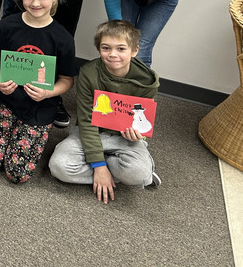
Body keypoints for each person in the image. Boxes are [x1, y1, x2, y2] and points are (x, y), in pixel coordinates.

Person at [0, 0, 77, 184]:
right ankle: (8, 134)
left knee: (17, 174)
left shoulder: (63, 38)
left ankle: (22, 134)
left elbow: (67, 80)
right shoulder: (7, 25)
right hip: (5, 101)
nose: (35, 3)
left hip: (39, 108)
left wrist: (48, 93)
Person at [49, 20, 160, 202]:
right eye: (106, 48)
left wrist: (139, 136)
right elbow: (86, 120)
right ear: (99, 49)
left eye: (121, 49)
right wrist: (99, 166)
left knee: (138, 174)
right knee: (59, 167)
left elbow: (143, 121)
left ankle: (131, 172)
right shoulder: (88, 72)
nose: (113, 54)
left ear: (135, 50)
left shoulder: (147, 81)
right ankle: (112, 171)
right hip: (90, 132)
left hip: (123, 138)